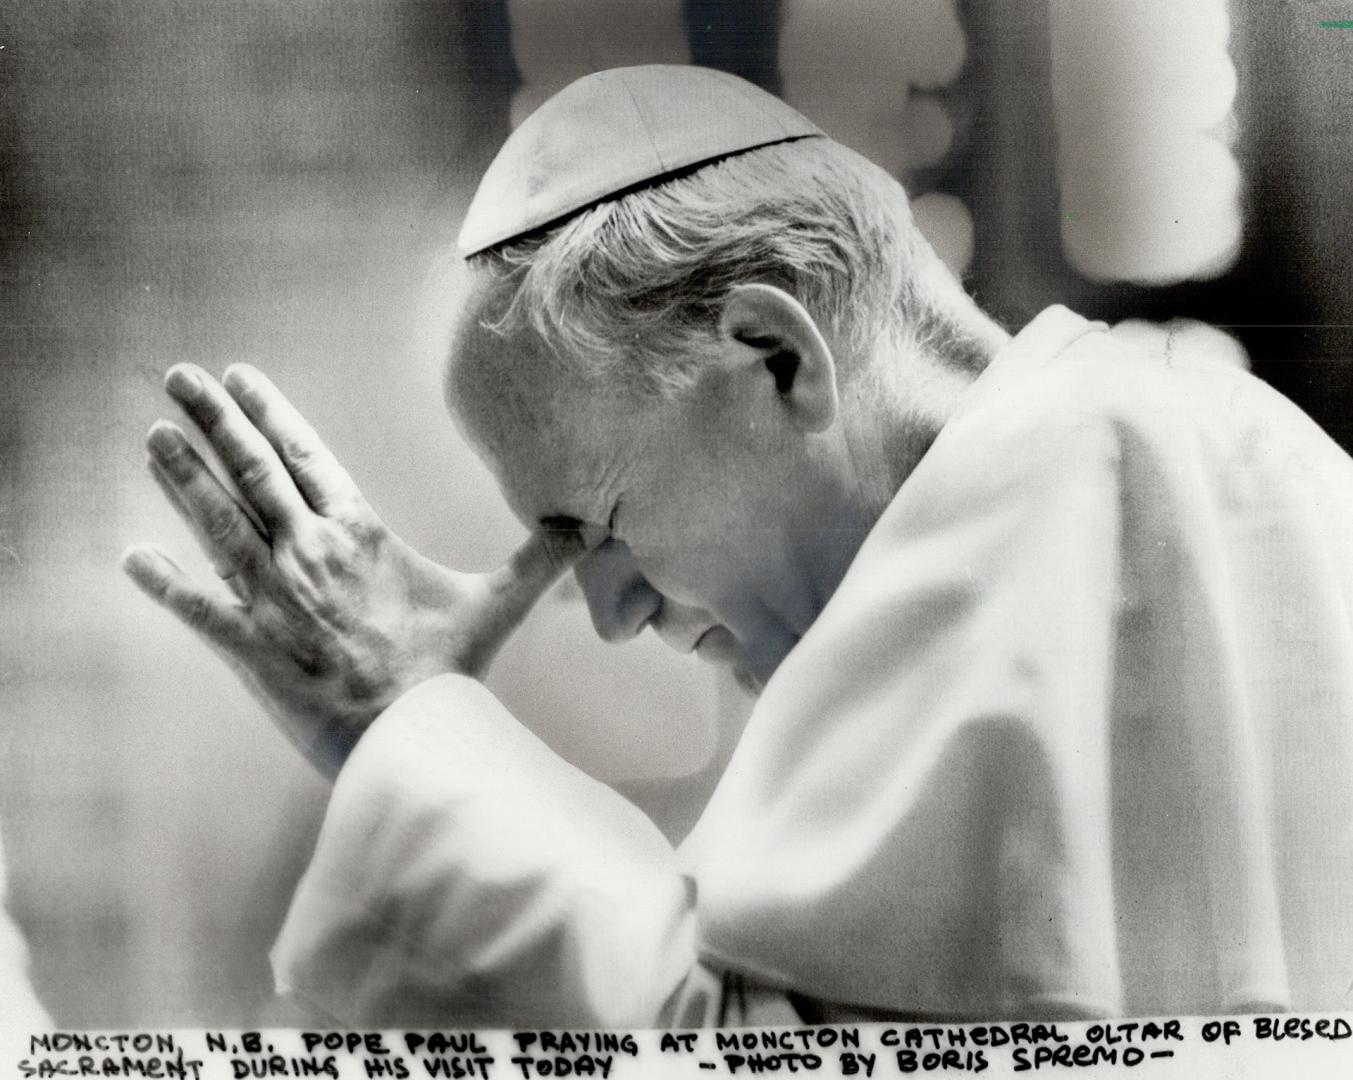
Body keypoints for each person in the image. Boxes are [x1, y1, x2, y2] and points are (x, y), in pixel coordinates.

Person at [123, 65, 1353, 1027]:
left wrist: (411, 727)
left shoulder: (1040, 495)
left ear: (774, 356)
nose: (612, 616)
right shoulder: (1256, 454)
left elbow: (740, 1046)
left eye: (592, 529)